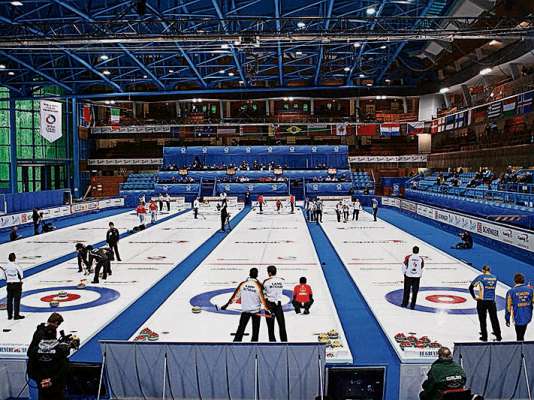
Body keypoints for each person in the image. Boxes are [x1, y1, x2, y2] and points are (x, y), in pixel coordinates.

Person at [27, 313, 69, 400]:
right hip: (54, 388)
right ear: (56, 322)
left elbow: (31, 370)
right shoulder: (58, 351)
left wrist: (41, 380)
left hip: (42, 385)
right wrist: (51, 381)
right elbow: (64, 369)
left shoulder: (41, 331)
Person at [221, 268, 268, 342]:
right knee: (255, 333)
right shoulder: (259, 285)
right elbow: (264, 299)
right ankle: (254, 349)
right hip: (256, 312)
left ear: (249, 274)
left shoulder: (243, 284)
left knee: (240, 330)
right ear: (257, 275)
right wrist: (269, 310)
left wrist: (226, 305)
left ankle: (235, 346)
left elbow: (235, 297)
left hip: (245, 311)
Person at [469, 265, 502, 341]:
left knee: (482, 319)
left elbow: (471, 287)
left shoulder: (480, 277)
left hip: (482, 301)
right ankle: (498, 336)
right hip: (492, 301)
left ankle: (484, 337)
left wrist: (474, 297)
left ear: (483, 270)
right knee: (494, 319)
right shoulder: (495, 277)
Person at [505, 273, 534, 341]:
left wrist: (507, 319)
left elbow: (508, 307)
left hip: (517, 317)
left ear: (515, 281)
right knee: (522, 334)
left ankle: (520, 348)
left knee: (519, 336)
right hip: (527, 316)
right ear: (523, 280)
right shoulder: (530, 290)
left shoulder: (511, 291)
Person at [263, 265, 288, 342]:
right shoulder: (282, 280)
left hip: (269, 305)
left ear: (269, 273)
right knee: (282, 326)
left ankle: (272, 343)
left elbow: (263, 293)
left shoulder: (266, 282)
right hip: (278, 306)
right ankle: (284, 343)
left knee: (270, 327)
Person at [1, 253, 24, 320]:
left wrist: (9, 278)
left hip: (9, 285)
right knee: (16, 300)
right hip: (17, 284)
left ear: (8, 258)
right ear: (14, 258)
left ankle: (9, 316)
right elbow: (21, 275)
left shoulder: (5, 267)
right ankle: (16, 316)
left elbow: (4, 277)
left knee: (9, 300)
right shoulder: (17, 266)